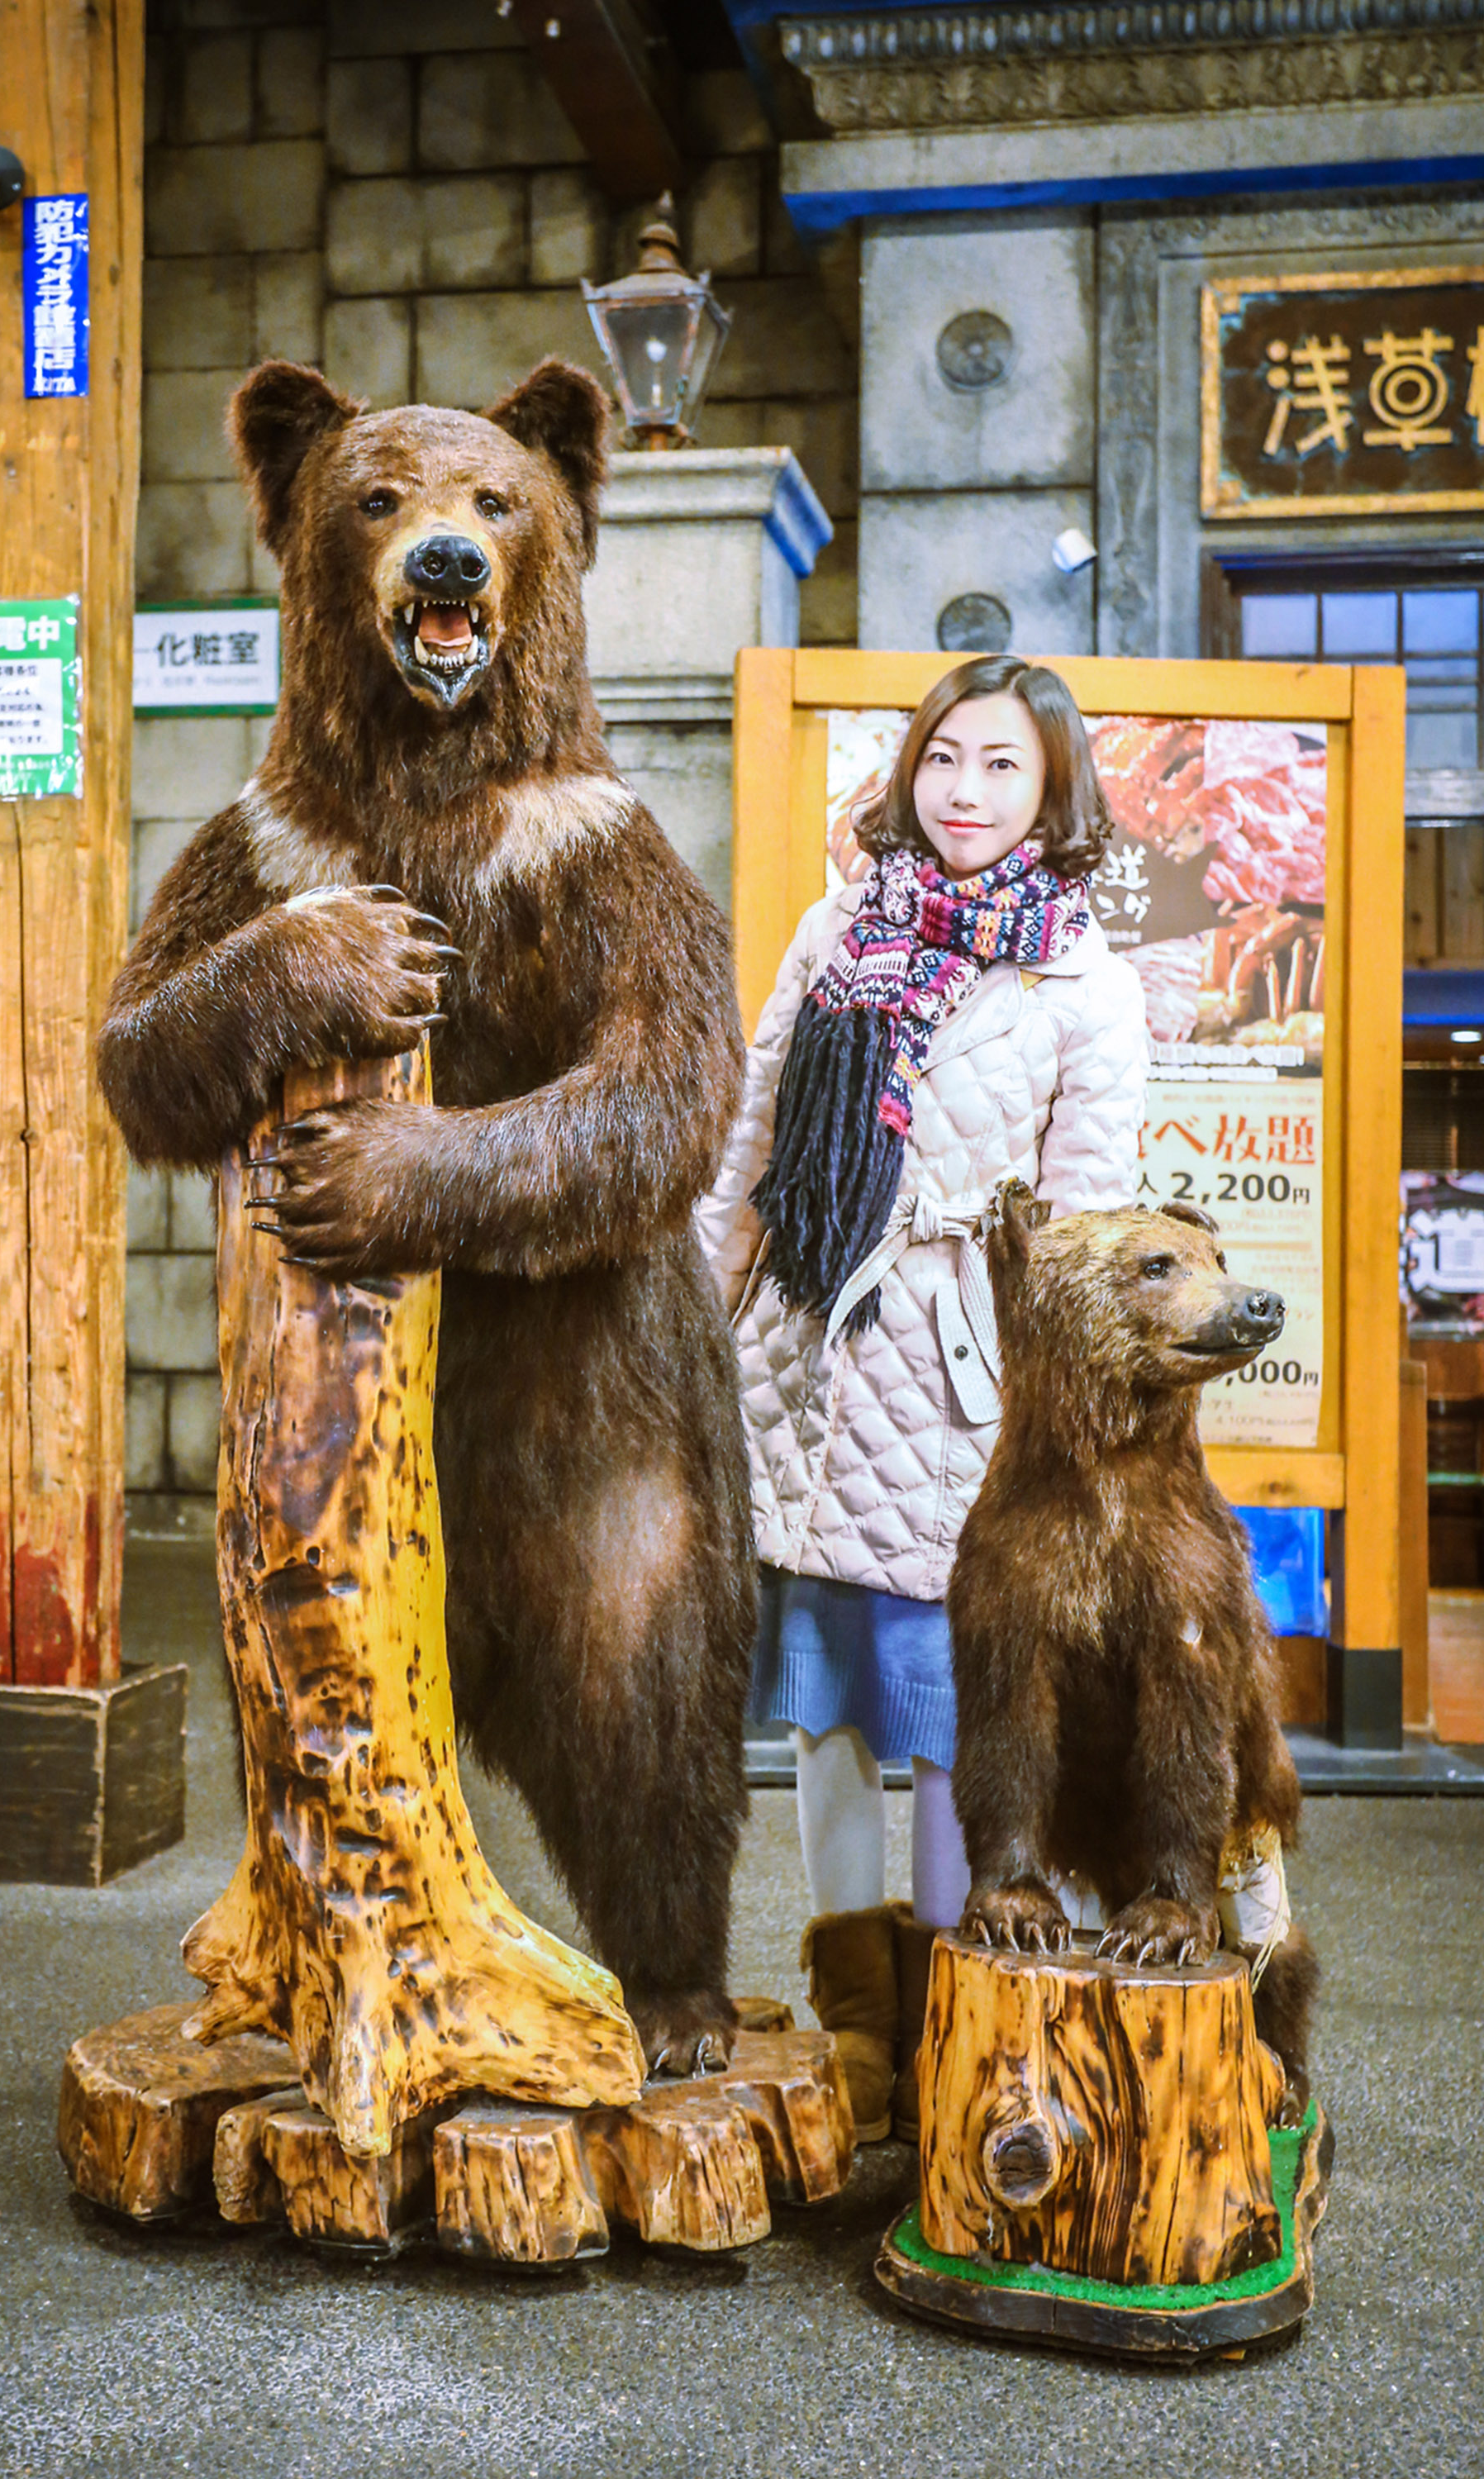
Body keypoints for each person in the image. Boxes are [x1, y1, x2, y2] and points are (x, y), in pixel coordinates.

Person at [698, 654, 1149, 2141]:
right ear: (912, 769)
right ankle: (859, 2032)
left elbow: (1085, 1229)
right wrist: (702, 1325)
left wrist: (1072, 1431)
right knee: (824, 1708)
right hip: (811, 1356)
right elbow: (753, 1141)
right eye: (946, 758)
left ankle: (963, 2015)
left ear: (1053, 789)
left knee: (963, 1708)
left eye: (1002, 766)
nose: (965, 791)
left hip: (967, 1381)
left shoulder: (1085, 979)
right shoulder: (840, 929)